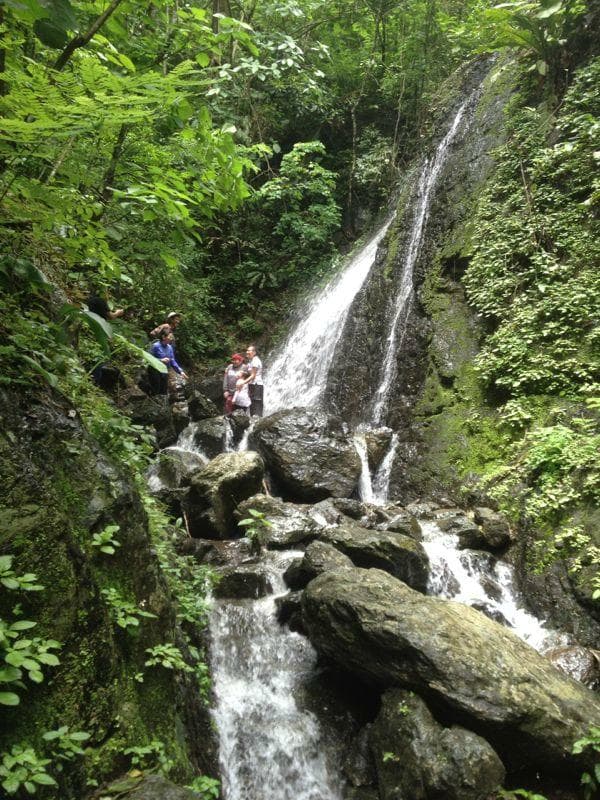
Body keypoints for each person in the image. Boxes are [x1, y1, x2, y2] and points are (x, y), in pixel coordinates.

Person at [148, 329, 188, 395]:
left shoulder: (169, 347)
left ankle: (164, 404)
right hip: (154, 371)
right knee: (156, 390)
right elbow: (149, 359)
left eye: (172, 337)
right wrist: (161, 360)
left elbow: (172, 361)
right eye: (170, 337)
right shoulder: (155, 346)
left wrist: (180, 371)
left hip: (164, 371)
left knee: (164, 391)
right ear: (163, 337)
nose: (171, 339)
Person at [243, 344, 263, 416]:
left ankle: (256, 421)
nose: (247, 352)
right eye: (247, 350)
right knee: (252, 404)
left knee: (256, 404)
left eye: (249, 350)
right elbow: (248, 373)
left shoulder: (255, 361)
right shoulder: (251, 361)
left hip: (256, 385)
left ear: (254, 352)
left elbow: (253, 375)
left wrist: (243, 382)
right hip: (252, 384)